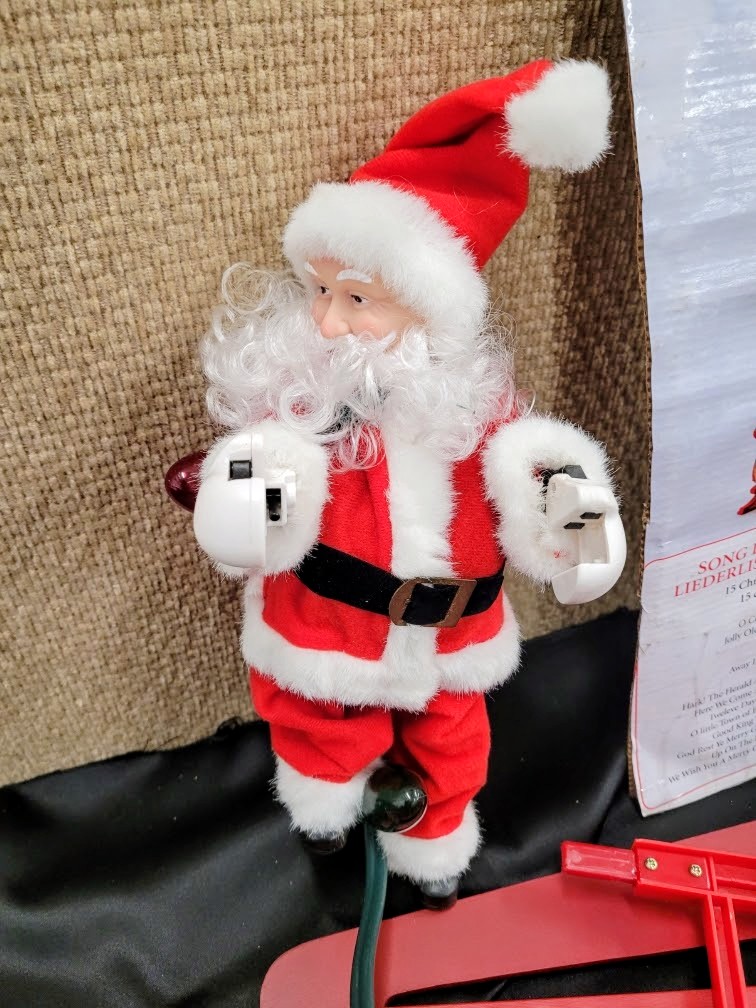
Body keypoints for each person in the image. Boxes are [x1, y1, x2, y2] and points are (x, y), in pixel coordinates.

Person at [179, 59, 623, 905]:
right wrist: (246, 496)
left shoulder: (478, 413)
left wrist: (574, 516)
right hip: (329, 631)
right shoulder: (310, 409)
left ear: (433, 314)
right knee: (317, 720)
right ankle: (325, 804)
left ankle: (435, 844)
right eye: (319, 291)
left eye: (356, 300)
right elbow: (273, 472)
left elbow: (537, 478)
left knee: (453, 739)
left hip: (453, 639)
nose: (323, 321)